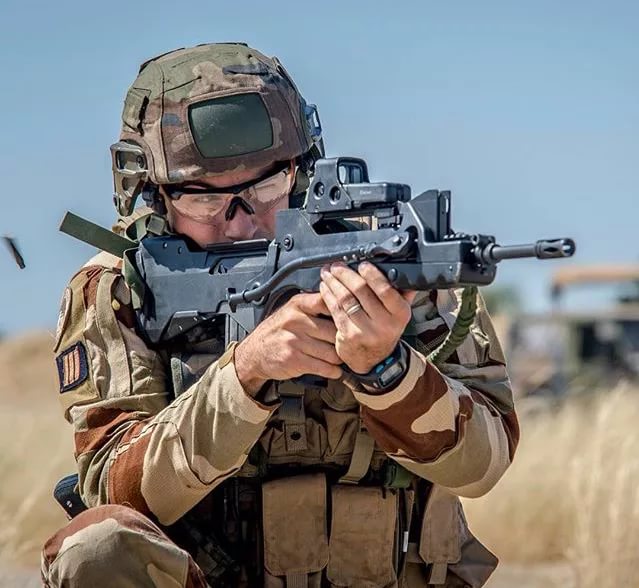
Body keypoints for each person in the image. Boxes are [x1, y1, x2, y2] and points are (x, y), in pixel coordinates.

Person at [42, 42, 519, 587]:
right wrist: (246, 373)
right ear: (153, 194)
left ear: (300, 169)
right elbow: (114, 489)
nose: (241, 220)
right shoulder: (120, 287)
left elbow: (484, 468)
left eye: (267, 185)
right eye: (203, 200)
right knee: (95, 547)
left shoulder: (390, 260)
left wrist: (386, 370)